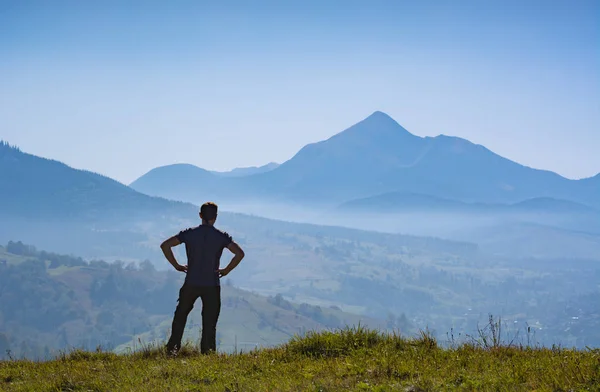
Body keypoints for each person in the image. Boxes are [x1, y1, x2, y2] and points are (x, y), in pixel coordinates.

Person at [160, 202, 245, 355]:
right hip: (211, 284)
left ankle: (172, 350)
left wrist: (176, 265)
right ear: (216, 217)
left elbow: (165, 245)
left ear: (200, 215)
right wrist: (226, 270)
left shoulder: (189, 234)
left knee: (180, 316)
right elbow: (239, 254)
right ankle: (208, 353)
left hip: (191, 282)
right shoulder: (221, 237)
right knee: (209, 321)